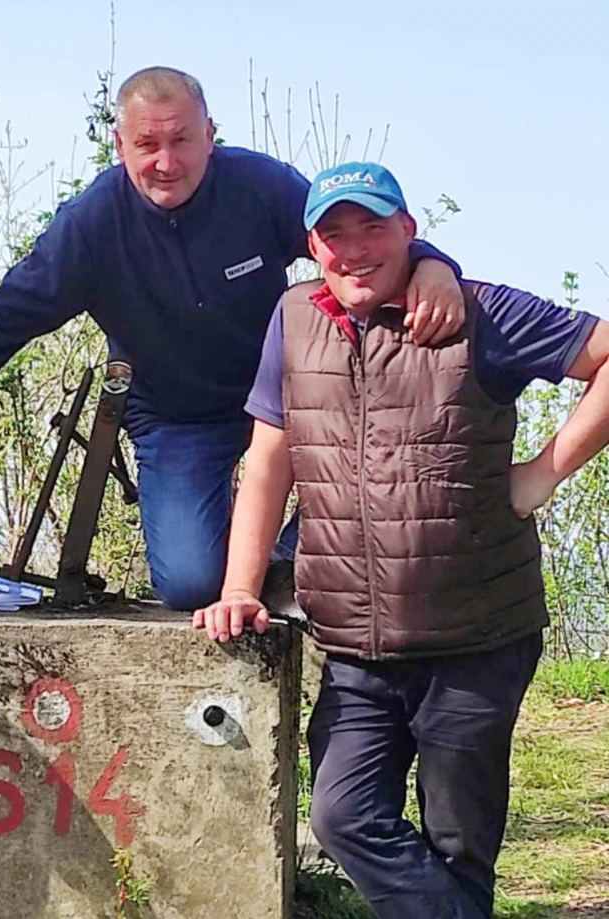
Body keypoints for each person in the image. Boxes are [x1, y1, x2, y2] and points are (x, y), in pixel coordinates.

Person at [0, 66, 466, 610]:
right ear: (120, 145)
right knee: (194, 583)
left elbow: (357, 242)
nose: (166, 162)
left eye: (181, 140)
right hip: (177, 416)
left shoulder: (260, 186)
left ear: (210, 137)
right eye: (147, 144)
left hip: (289, 406)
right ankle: (265, 569)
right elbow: (0, 320)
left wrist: (434, 265)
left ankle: (285, 561)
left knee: (380, 483)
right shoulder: (90, 227)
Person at [193, 161, 609, 918]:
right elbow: (267, 462)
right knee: (342, 814)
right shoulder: (292, 319)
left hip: (477, 638)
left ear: (409, 232)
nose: (353, 248)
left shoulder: (481, 313)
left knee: (459, 844)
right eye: (333, 233)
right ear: (311, 246)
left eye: (372, 227)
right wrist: (240, 587)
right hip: (355, 649)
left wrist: (544, 474)